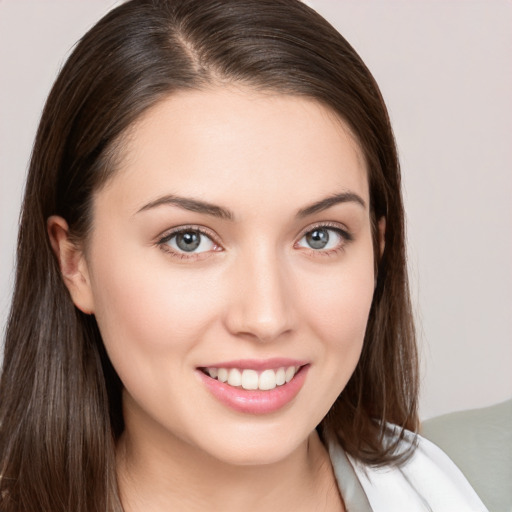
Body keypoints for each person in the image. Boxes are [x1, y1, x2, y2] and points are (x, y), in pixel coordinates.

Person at [0, 1, 488, 511]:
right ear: (73, 262)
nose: (266, 317)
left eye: (320, 236)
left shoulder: (490, 482)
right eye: (188, 239)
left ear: (378, 250)